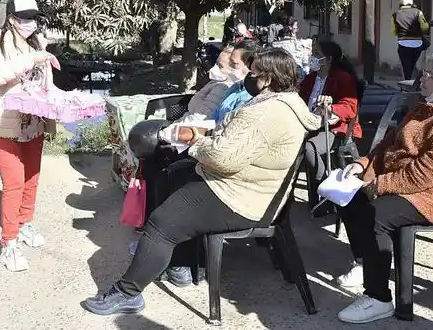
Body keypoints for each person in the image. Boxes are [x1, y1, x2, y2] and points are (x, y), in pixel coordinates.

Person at [82, 48, 321, 316]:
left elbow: (222, 159)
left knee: (161, 223)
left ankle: (128, 293)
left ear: (267, 78)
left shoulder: (266, 113)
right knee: (174, 175)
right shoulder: (288, 102)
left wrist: (194, 140)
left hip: (239, 196)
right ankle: (177, 262)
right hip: (251, 187)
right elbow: (233, 141)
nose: (248, 79)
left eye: (253, 74)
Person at [333, 52, 433, 324]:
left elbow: (432, 171)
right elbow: (389, 143)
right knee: (348, 199)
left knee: (376, 214)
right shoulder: (426, 106)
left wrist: (379, 184)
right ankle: (366, 262)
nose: (421, 80)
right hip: (403, 181)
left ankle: (378, 297)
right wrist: (362, 164)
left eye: (428, 75)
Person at [129, 39, 260, 283]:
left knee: (177, 180)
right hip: (210, 145)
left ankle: (186, 262)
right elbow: (217, 122)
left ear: (251, 66)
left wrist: (194, 136)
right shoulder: (234, 88)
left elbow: (229, 132)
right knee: (160, 169)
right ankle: (160, 243)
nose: (228, 66)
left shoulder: (254, 101)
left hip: (228, 169)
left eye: (234, 63)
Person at [0, 0, 58, 272]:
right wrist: (30, 59)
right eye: (23, 17)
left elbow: (45, 85)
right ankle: (8, 245)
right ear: (11, 19)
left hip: (32, 125)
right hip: (4, 127)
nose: (29, 23)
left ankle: (24, 224)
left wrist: (58, 102)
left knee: (31, 179)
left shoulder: (39, 43)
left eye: (33, 17)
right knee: (14, 184)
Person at [299, 41, 362, 210]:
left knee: (310, 147)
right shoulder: (311, 78)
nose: (312, 57)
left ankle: (325, 190)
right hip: (309, 124)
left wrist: (330, 107)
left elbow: (350, 107)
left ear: (328, 59)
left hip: (336, 128)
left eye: (316, 54)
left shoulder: (342, 78)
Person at [391, 0, 430, 80]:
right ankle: (413, 82)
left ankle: (406, 84)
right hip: (417, 44)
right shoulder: (418, 12)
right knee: (412, 65)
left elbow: (393, 32)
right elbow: (425, 27)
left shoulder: (395, 15)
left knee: (406, 67)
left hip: (403, 44)